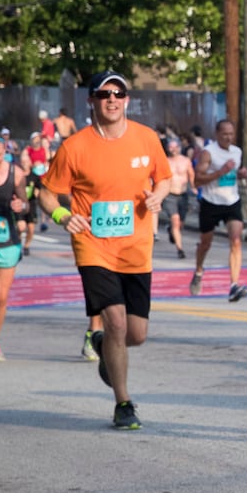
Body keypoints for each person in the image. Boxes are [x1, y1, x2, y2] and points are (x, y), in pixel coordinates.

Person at [38, 71, 170, 429]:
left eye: (118, 93)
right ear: (92, 101)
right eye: (103, 93)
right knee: (114, 320)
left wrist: (159, 194)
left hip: (136, 247)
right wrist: (64, 215)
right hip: (93, 246)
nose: (111, 99)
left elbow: (166, 177)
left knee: (135, 334)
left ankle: (104, 347)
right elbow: (46, 193)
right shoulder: (75, 146)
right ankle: (123, 403)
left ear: (126, 100)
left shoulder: (145, 138)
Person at [190, 119, 247, 302]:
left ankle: (234, 285)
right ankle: (199, 270)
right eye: (225, 134)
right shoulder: (209, 153)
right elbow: (197, 181)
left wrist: (240, 174)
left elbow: (234, 174)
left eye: (231, 134)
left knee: (236, 240)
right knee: (205, 243)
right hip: (211, 202)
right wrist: (220, 172)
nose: (228, 137)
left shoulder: (237, 152)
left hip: (231, 201)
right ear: (217, 134)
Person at [0, 140, 29, 360]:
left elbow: (25, 203)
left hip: (8, 239)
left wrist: (21, 207)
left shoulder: (15, 173)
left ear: (5, 153)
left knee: (2, 299)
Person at [161, 137, 194, 259]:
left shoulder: (185, 161)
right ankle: (180, 249)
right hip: (170, 194)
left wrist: (194, 187)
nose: (173, 149)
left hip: (183, 194)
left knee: (180, 223)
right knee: (175, 221)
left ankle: (171, 230)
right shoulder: (165, 161)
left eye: (175, 147)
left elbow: (191, 174)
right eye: (171, 147)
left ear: (179, 147)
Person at [19, 132, 51, 255]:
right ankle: (18, 242)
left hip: (40, 181)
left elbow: (48, 159)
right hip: (21, 202)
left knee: (31, 228)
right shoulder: (28, 151)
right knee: (21, 227)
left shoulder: (44, 149)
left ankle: (43, 220)